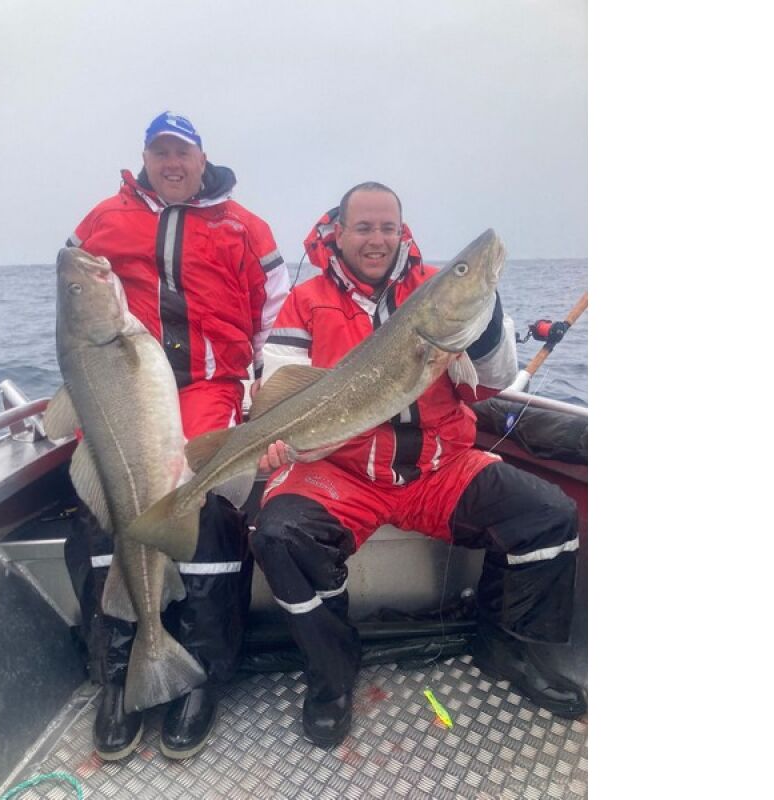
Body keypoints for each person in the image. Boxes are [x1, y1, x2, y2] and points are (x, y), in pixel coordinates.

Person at [249, 182, 585, 749]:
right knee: (280, 536)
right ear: (338, 232)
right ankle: (332, 674)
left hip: (438, 468)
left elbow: (494, 382)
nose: (376, 239)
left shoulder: (434, 290)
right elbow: (280, 387)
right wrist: (274, 440)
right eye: (363, 227)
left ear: (401, 231)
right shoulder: (305, 301)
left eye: (387, 227)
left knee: (548, 514)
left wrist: (483, 304)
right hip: (341, 472)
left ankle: (506, 648)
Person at [62, 112, 289, 761]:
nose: (171, 163)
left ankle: (200, 673)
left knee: (208, 505)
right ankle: (116, 673)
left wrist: (263, 393)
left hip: (210, 386)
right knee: (99, 510)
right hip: (124, 390)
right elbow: (73, 306)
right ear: (145, 158)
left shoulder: (246, 227)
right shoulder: (103, 220)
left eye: (181, 153)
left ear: (201, 158)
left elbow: (276, 314)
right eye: (160, 152)